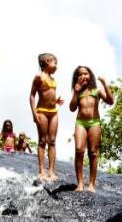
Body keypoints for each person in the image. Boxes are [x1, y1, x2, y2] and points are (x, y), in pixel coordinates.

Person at [69, 65, 114, 192]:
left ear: (90, 76)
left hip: (94, 123)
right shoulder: (77, 91)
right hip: (81, 123)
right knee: (79, 150)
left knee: (93, 153)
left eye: (86, 73)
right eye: (80, 74)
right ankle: (80, 183)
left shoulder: (96, 90)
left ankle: (92, 185)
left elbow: (110, 101)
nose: (83, 76)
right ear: (77, 77)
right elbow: (72, 108)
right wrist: (76, 92)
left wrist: (105, 84)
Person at [29, 53, 63, 181]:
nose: (56, 66)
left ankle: (52, 172)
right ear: (48, 61)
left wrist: (56, 101)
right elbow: (32, 95)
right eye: (55, 62)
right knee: (43, 140)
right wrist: (34, 112)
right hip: (42, 111)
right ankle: (42, 171)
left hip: (53, 112)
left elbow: (49, 95)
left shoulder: (53, 80)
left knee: (52, 141)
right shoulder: (39, 77)